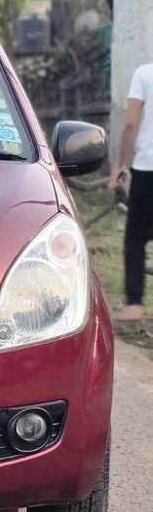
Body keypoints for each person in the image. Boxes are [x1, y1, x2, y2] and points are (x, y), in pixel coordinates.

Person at [108, 62, 153, 320]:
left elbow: (130, 123)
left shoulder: (144, 73)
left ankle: (134, 305)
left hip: (148, 167)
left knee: (135, 237)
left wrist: (119, 166)